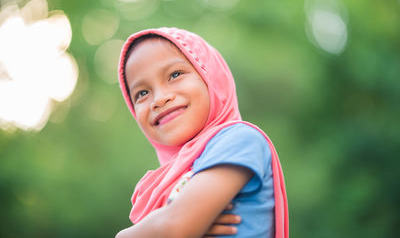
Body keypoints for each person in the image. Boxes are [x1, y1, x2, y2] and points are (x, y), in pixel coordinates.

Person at [115, 27, 288, 238]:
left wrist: (126, 235)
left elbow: (177, 227)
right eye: (142, 93)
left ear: (210, 77)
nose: (159, 99)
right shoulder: (164, 182)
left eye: (175, 74)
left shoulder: (240, 140)